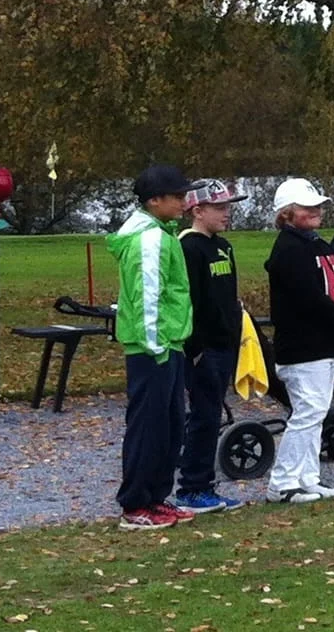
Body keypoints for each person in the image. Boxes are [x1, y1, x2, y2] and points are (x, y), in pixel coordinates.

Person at [109, 163, 198, 531]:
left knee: (170, 424)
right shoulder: (150, 239)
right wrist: (155, 344)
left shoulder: (162, 233)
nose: (184, 202)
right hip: (154, 347)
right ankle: (135, 503)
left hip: (168, 342)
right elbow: (148, 295)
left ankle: (157, 497)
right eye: (176, 196)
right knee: (149, 425)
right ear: (154, 200)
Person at [264, 177, 334, 504]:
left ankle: (307, 478)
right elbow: (308, 297)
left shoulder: (317, 244)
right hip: (303, 347)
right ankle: (283, 482)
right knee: (308, 412)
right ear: (288, 213)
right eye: (308, 207)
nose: (316, 210)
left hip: (324, 343)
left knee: (316, 412)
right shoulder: (288, 251)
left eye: (318, 205)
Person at [174, 178, 249, 514]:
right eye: (219, 207)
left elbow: (226, 295)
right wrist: (196, 348)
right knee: (203, 417)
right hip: (203, 349)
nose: (226, 213)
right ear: (197, 210)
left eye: (228, 207)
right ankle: (191, 487)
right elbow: (187, 302)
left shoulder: (224, 247)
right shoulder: (188, 247)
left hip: (225, 344)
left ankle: (204, 483)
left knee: (212, 414)